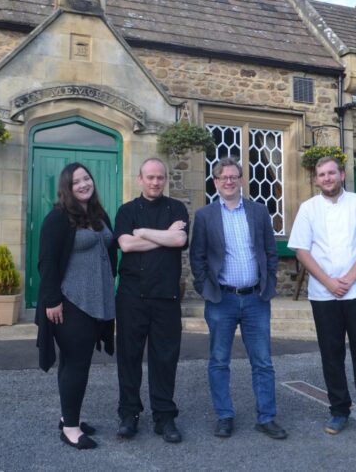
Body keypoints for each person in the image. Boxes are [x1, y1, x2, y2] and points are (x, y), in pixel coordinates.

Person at [287, 156, 356, 443]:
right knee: (331, 354)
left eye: (331, 172)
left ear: (342, 175)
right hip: (323, 294)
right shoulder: (308, 209)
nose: (327, 178)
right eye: (321, 174)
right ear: (316, 179)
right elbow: (302, 252)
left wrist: (349, 279)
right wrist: (330, 282)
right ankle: (339, 410)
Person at [189, 157, 287, 440]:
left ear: (241, 180)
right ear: (216, 182)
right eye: (223, 177)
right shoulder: (205, 215)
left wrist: (268, 281)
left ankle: (266, 417)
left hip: (256, 299)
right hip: (222, 299)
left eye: (234, 176)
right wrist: (205, 287)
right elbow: (198, 257)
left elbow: (270, 251)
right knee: (219, 360)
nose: (229, 181)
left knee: (263, 362)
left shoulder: (258, 211)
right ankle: (224, 415)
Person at [35, 162, 118, 450]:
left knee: (73, 362)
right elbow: (46, 262)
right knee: (76, 364)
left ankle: (68, 417)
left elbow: (109, 251)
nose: (83, 184)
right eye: (76, 182)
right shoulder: (58, 218)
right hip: (70, 303)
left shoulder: (98, 214)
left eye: (86, 178)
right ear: (67, 189)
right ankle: (70, 428)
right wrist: (52, 300)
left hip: (96, 301)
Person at [113, 157, 189, 443]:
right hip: (131, 297)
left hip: (166, 297)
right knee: (129, 358)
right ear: (140, 179)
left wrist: (144, 233)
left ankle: (164, 416)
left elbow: (180, 241)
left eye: (160, 177)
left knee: (165, 359)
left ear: (165, 179)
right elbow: (125, 244)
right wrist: (164, 236)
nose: (155, 182)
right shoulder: (127, 210)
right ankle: (128, 415)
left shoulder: (177, 208)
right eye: (150, 177)